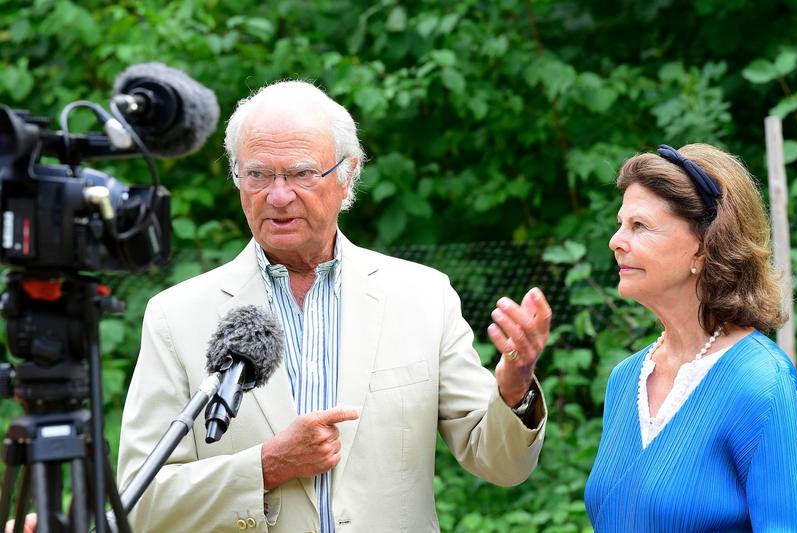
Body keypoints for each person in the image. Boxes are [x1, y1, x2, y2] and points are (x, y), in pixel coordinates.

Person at [114, 81, 551, 532]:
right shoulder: (177, 315)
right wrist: (265, 466)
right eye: (258, 175)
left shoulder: (423, 297)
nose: (278, 195)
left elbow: (502, 465)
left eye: (301, 173)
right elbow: (140, 500)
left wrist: (515, 388)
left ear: (347, 176)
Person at [584, 143, 797, 531]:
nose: (616, 240)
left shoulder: (762, 382)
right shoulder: (624, 380)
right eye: (620, 224)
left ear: (702, 246)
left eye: (639, 226)